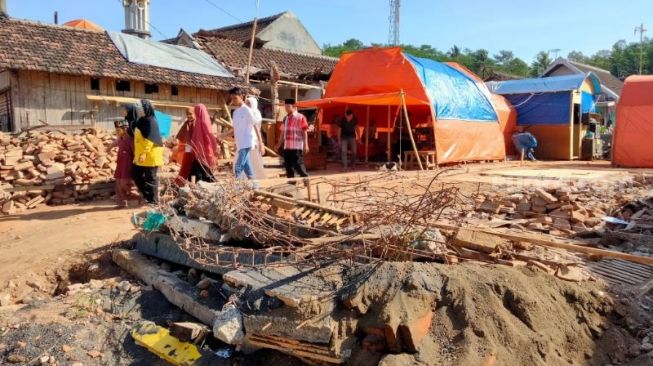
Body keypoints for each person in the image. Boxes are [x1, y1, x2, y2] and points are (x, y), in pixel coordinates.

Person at [229, 87, 265, 187]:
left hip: (247, 142)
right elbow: (234, 129)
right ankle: (255, 186)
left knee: (238, 167)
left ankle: (238, 189)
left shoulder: (247, 110)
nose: (233, 100)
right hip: (240, 143)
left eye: (235, 98)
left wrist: (261, 143)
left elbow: (256, 127)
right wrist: (222, 136)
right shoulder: (235, 113)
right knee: (247, 167)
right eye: (232, 98)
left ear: (241, 96)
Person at [132, 99, 164, 204]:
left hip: (150, 154)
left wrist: (144, 153)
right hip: (141, 155)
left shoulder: (150, 120)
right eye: (137, 108)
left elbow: (150, 139)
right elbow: (138, 140)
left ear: (145, 109)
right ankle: (148, 196)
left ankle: (154, 201)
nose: (138, 110)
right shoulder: (141, 120)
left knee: (151, 177)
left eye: (139, 108)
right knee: (136, 174)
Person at [275, 98, 309, 183]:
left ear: (294, 106)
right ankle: (291, 183)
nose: (286, 108)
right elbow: (282, 132)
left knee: (298, 165)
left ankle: (306, 179)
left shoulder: (301, 117)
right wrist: (279, 144)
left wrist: (306, 145)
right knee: (288, 166)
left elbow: (304, 132)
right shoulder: (285, 118)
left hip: (297, 146)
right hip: (287, 147)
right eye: (285, 106)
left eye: (288, 106)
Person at [186, 104, 218, 183]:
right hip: (199, 150)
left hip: (204, 150)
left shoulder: (202, 122)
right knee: (200, 167)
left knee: (202, 167)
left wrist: (215, 146)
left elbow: (209, 135)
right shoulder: (198, 122)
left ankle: (203, 183)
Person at [112, 118, 134, 208]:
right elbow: (115, 143)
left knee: (124, 182)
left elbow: (134, 152)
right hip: (120, 163)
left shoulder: (130, 139)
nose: (117, 132)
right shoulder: (120, 138)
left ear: (125, 129)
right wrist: (108, 147)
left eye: (118, 130)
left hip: (128, 163)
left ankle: (135, 196)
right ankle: (122, 202)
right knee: (118, 181)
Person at [245, 96, 267, 180]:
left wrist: (260, 142)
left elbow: (258, 129)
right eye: (246, 103)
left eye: (249, 103)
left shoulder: (256, 113)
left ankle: (257, 178)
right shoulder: (246, 113)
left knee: (255, 160)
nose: (247, 105)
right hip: (246, 140)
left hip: (254, 140)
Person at [175, 107, 195, 185]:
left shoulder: (197, 123)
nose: (189, 116)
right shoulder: (187, 123)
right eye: (187, 114)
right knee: (186, 162)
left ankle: (192, 181)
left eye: (190, 114)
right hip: (188, 146)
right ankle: (183, 180)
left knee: (194, 164)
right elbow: (181, 134)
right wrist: (177, 140)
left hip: (197, 147)